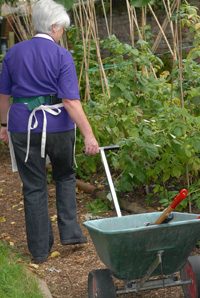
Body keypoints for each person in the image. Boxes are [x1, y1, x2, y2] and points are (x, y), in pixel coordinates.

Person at [0, 0, 99, 264]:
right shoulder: (61, 55)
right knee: (65, 177)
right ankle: (71, 234)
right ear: (53, 26)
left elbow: (4, 96)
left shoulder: (12, 53)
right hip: (57, 127)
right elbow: (70, 101)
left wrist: (3, 126)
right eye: (61, 29)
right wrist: (89, 134)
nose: (61, 34)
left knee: (33, 187)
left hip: (23, 126)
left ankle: (40, 251)